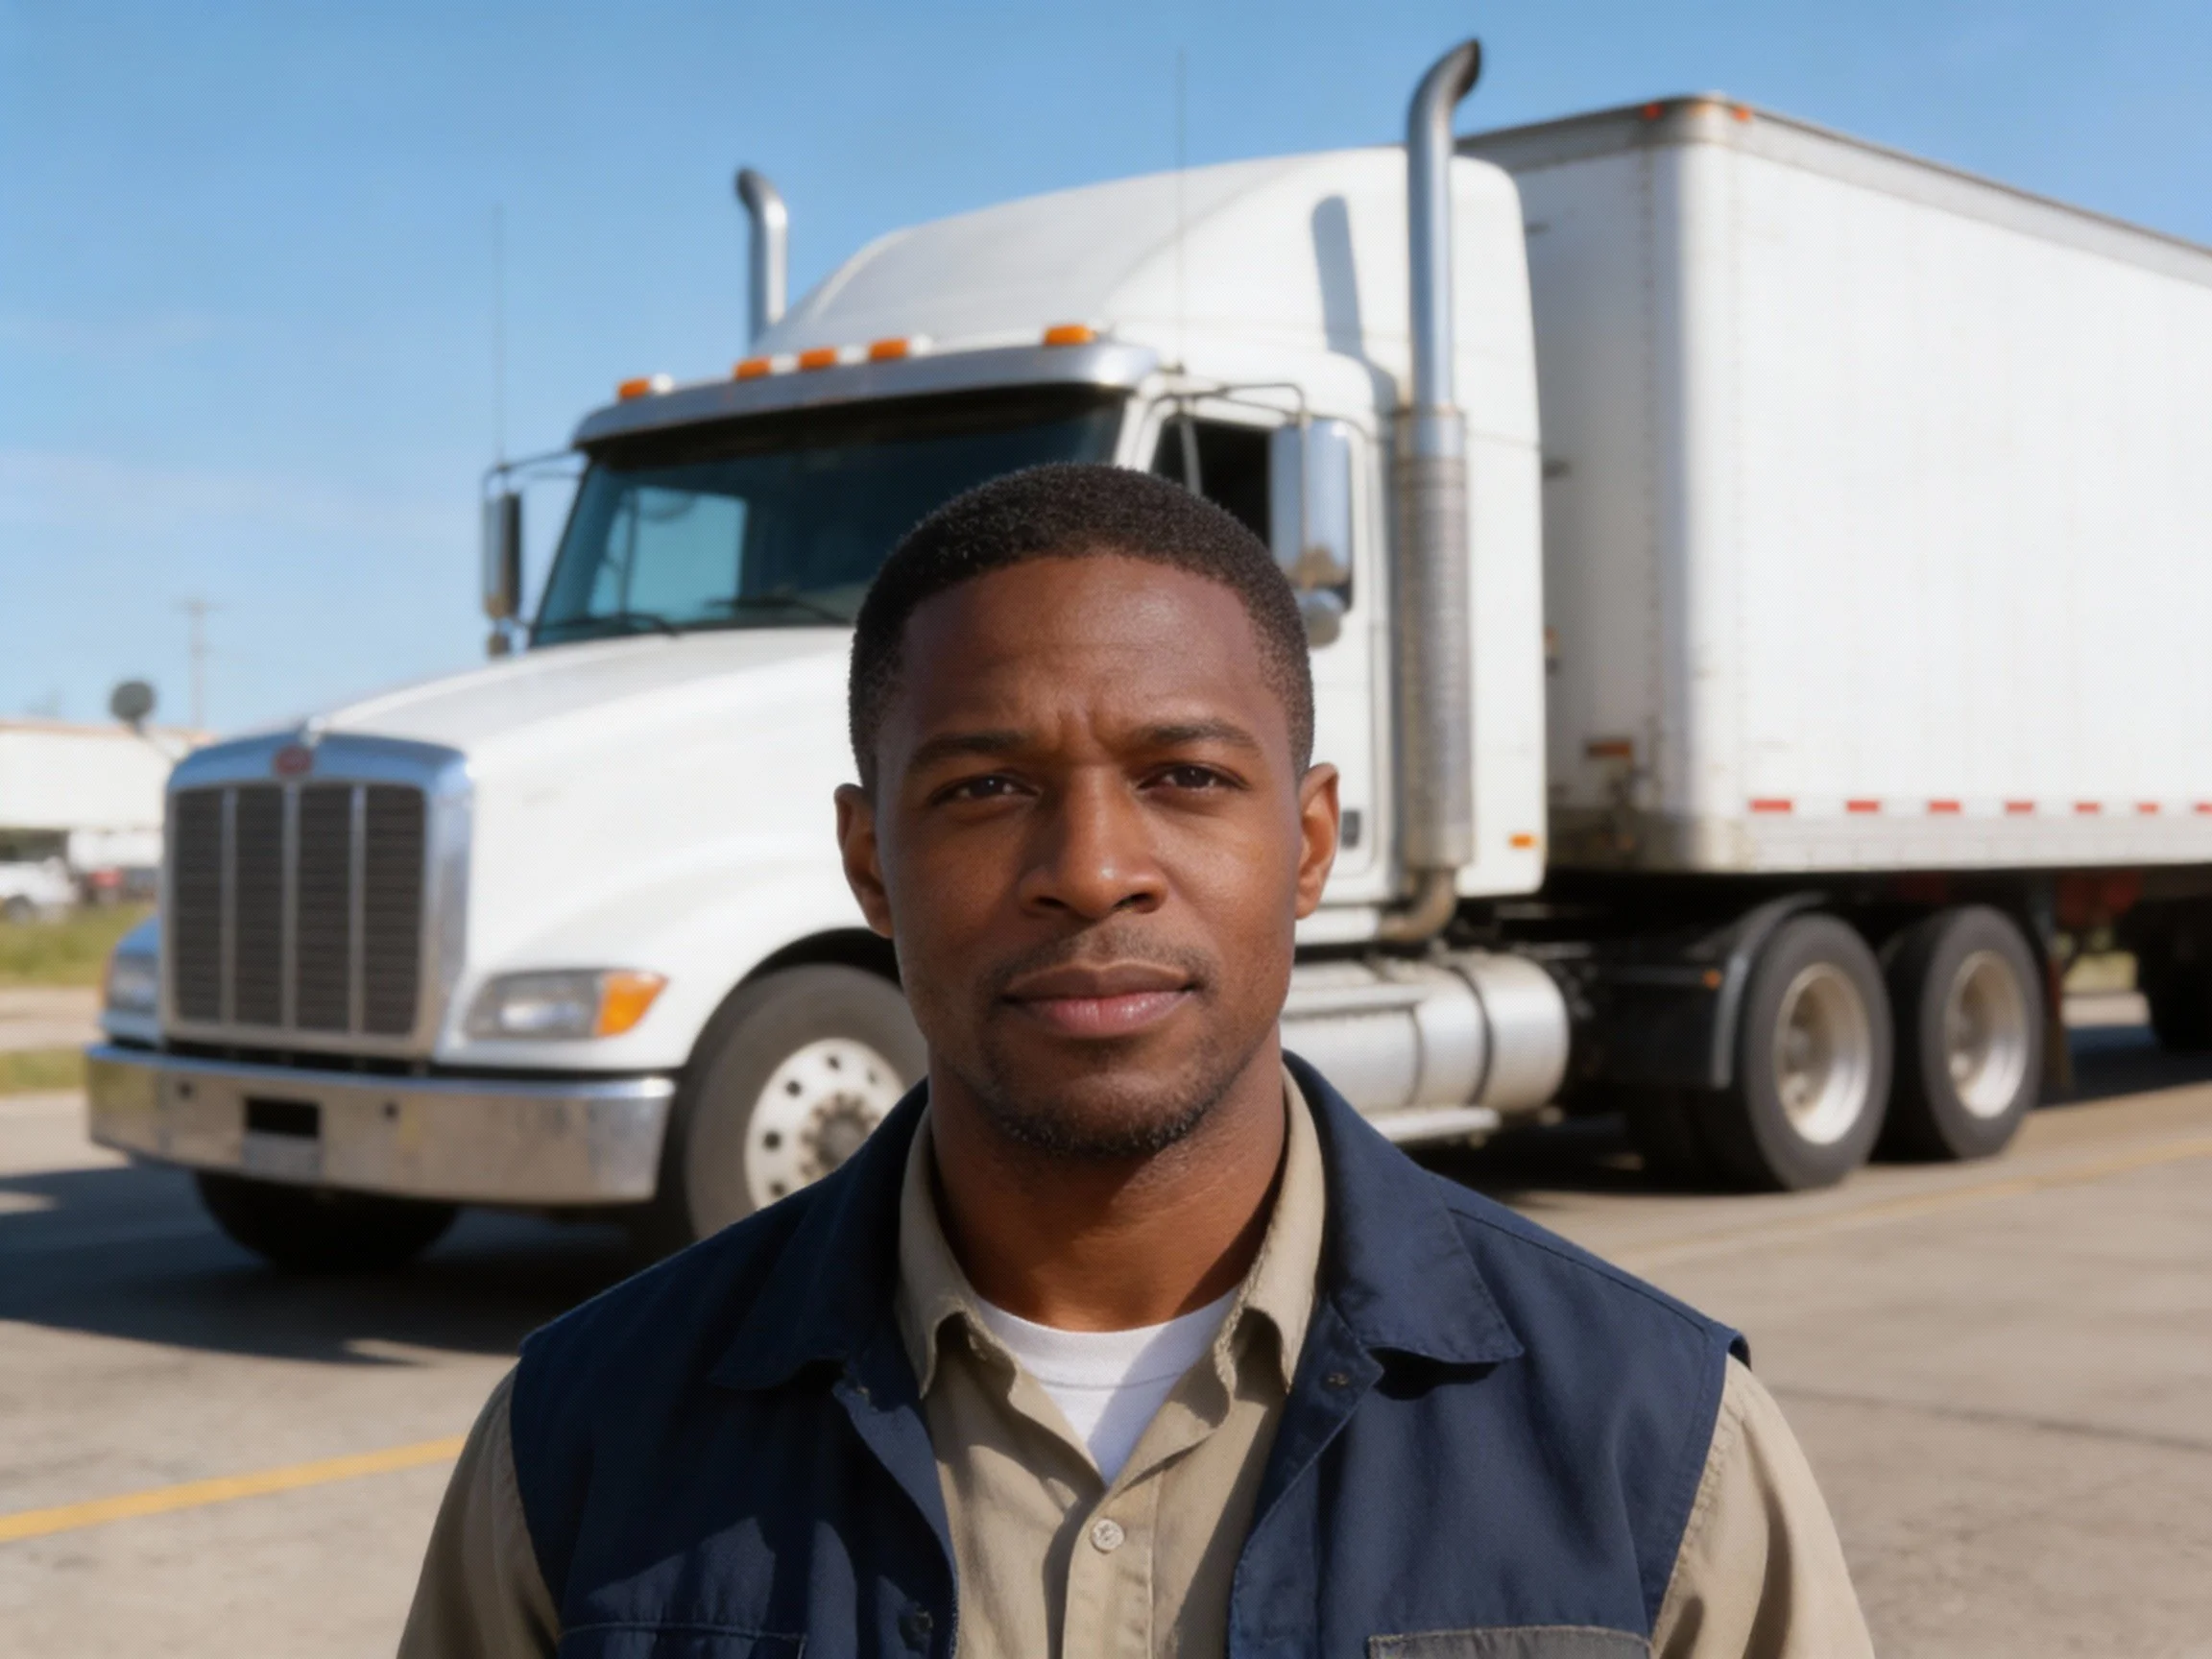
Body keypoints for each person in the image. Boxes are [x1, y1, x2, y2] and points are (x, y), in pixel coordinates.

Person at [401, 463, 1872, 1658]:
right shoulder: (585, 1439)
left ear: (1305, 845)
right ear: (869, 863)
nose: (1092, 870)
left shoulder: (1652, 1436)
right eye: (987, 788)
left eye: (1185, 778)